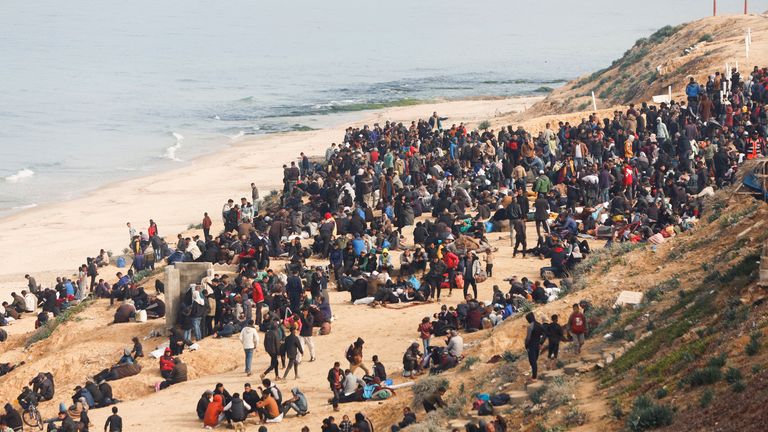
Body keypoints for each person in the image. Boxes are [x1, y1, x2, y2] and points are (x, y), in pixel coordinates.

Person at [524, 312, 546, 382]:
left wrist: (526, 345)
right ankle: (534, 375)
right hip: (537, 345)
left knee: (532, 361)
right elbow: (545, 334)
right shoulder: (540, 325)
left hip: (531, 345)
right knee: (534, 360)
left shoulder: (530, 326)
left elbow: (528, 338)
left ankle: (534, 377)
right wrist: (541, 342)